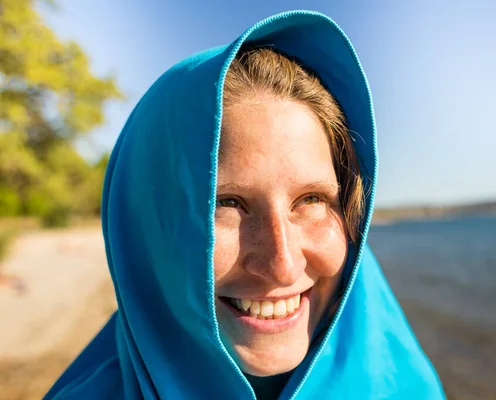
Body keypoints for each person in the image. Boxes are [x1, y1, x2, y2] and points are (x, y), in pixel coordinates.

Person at [44, 10, 445, 400]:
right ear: (148, 229)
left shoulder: (407, 386)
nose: (282, 265)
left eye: (311, 199)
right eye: (227, 203)